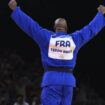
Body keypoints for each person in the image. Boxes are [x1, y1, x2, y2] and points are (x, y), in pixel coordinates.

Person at [8, 0, 105, 105]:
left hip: (52, 80)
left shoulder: (47, 37)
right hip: (68, 83)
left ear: (55, 28)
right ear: (66, 29)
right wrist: (100, 15)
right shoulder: (74, 39)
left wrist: (16, 10)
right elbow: (90, 30)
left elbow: (31, 26)